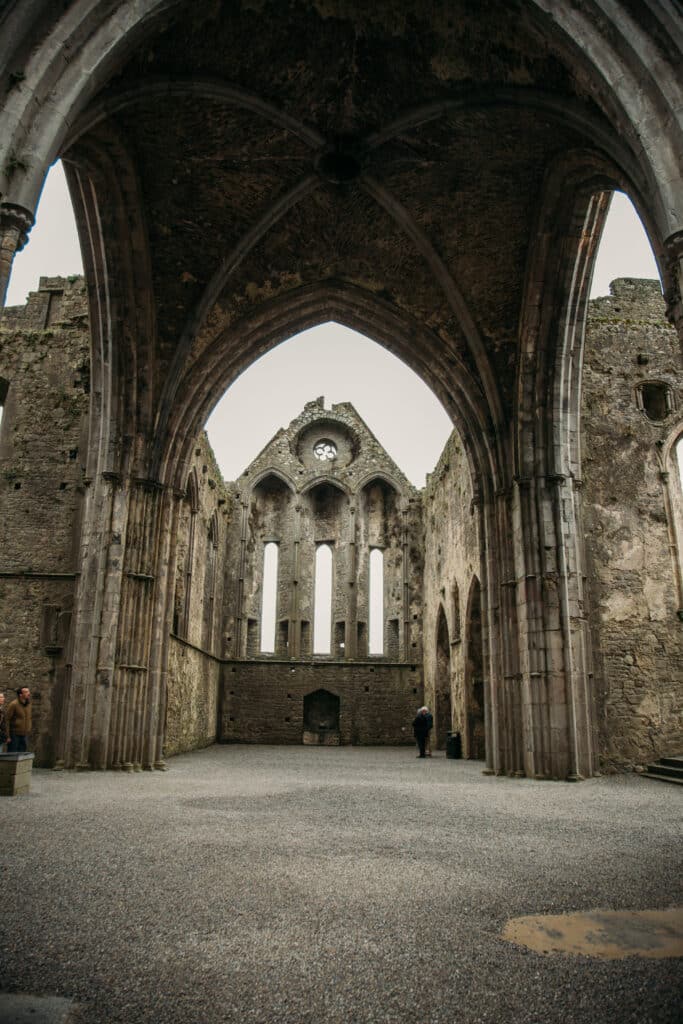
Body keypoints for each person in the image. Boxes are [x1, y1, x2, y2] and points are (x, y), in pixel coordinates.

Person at [7, 687, 31, 753]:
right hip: (14, 735)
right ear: (20, 694)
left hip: (25, 734)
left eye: (28, 691)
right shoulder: (13, 704)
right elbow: (7, 720)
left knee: (22, 756)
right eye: (26, 692)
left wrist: (28, 728)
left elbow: (28, 718)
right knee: (12, 755)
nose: (29, 694)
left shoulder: (28, 704)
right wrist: (8, 736)